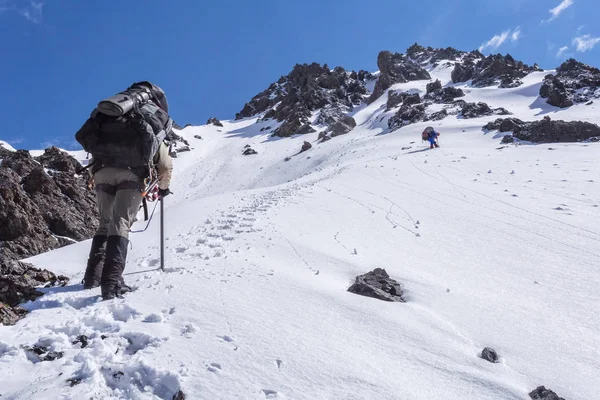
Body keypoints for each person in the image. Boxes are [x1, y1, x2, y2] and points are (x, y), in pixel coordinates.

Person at [79, 81, 174, 300]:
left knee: (104, 224)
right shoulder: (150, 124)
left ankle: (92, 279)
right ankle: (111, 284)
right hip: (131, 175)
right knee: (120, 223)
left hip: (101, 172)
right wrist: (163, 189)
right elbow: (165, 166)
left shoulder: (111, 120)